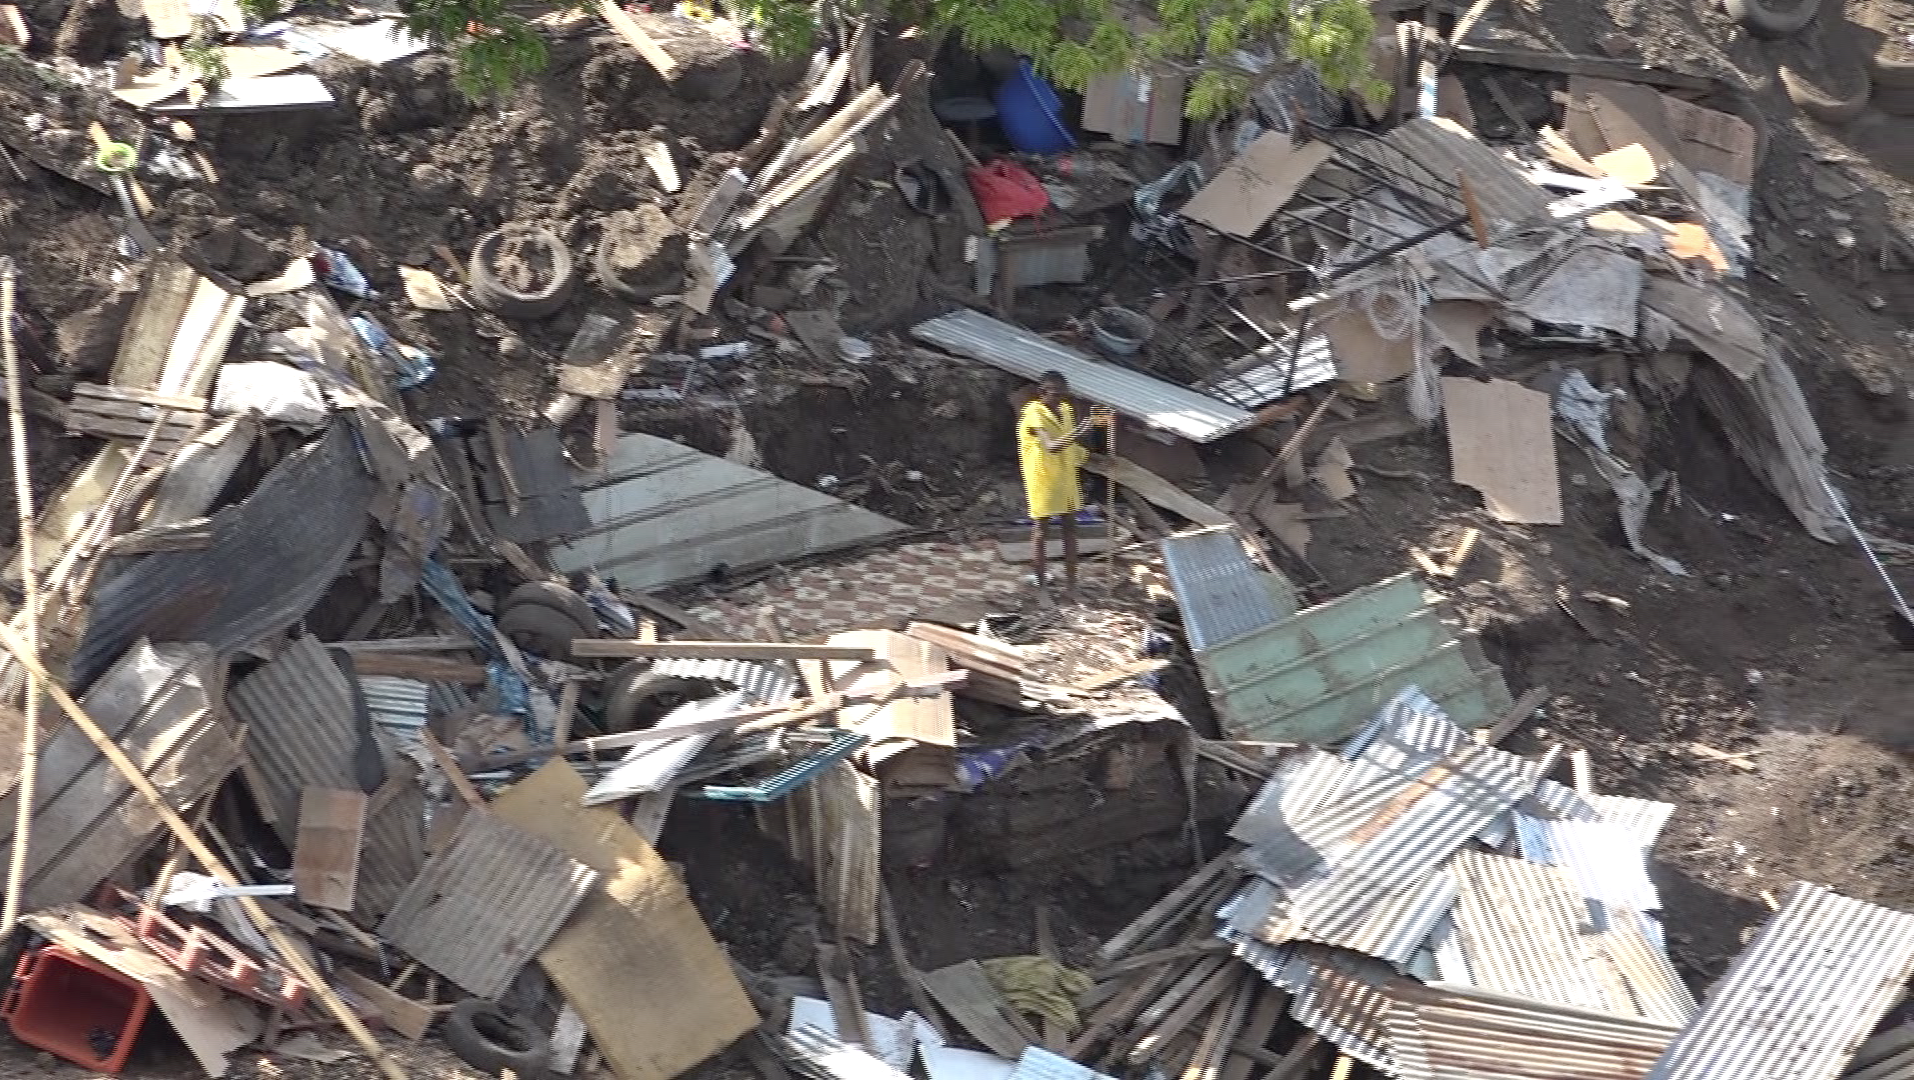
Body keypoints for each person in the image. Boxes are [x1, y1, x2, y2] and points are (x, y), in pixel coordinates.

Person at [1017, 371, 1103, 602]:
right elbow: (1052, 446)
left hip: (1065, 476)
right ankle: (1041, 587)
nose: (1060, 399)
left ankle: (1072, 586)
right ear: (1042, 392)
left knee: (1070, 529)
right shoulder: (1033, 414)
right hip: (1043, 478)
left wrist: (1091, 458)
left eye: (1063, 394)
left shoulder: (1065, 410)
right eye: (1055, 394)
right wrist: (1080, 431)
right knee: (1041, 531)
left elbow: (1069, 446)